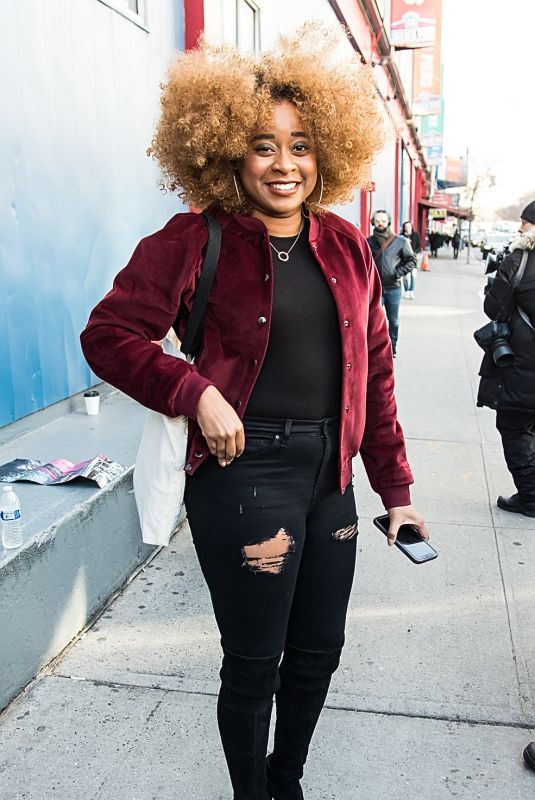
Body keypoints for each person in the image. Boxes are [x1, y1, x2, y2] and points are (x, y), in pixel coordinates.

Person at [80, 26, 428, 800]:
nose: (284, 164)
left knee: (319, 653)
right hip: (245, 478)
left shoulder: (346, 247)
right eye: (264, 146)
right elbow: (108, 335)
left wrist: (396, 495)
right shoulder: (192, 239)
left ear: (323, 153)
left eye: (300, 146)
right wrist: (193, 390)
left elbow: (375, 382)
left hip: (329, 477)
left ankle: (286, 779)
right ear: (229, 151)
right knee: (254, 661)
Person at [477, 200, 535, 519]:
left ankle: (530, 497)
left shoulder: (520, 259)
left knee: (514, 426)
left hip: (523, 363)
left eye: (525, 222)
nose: (519, 227)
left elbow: (493, 308)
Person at [367, 211, 416, 356]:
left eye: (383, 220)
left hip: (393, 288)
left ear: (388, 221)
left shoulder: (400, 241)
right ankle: (374, 349)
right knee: (373, 320)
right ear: (373, 223)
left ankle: (392, 347)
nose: (380, 223)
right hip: (375, 289)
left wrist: (397, 273)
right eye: (377, 220)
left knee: (393, 320)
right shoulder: (368, 242)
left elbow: (411, 261)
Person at [401, 220, 421, 299]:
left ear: (412, 227)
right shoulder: (401, 236)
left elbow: (419, 246)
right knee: (405, 276)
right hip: (403, 259)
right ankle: (406, 291)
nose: (407, 228)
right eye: (406, 227)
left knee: (413, 275)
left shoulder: (416, 235)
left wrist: (415, 252)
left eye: (409, 226)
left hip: (413, 258)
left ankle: (411, 291)